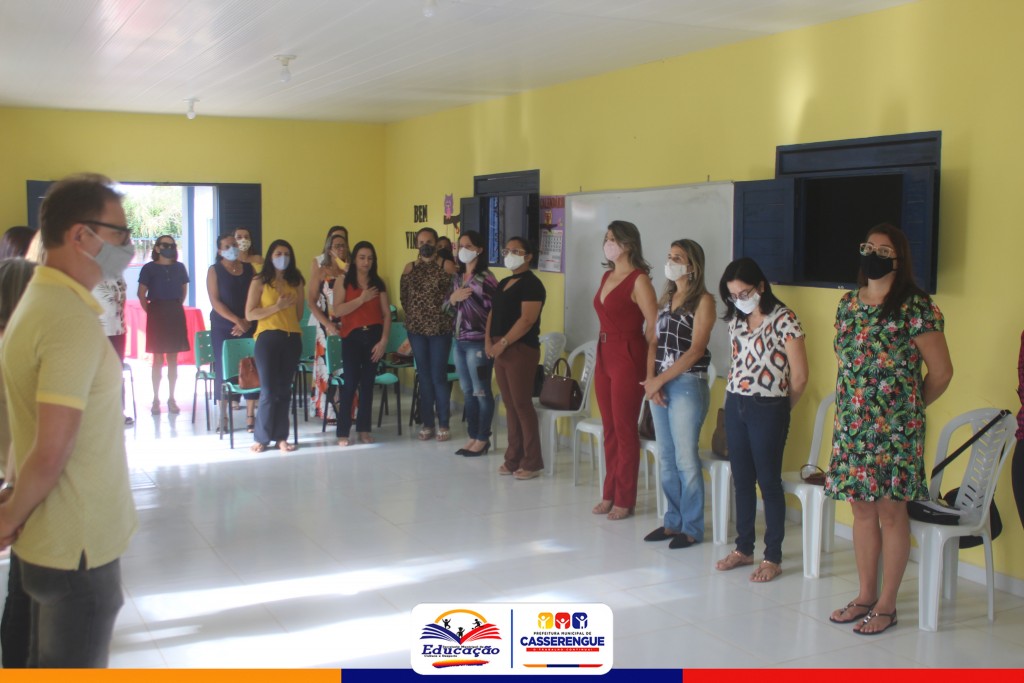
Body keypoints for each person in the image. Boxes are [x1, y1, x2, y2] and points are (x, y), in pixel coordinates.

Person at [0, 173, 138, 667]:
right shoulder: (67, 319)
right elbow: (52, 447)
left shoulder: (41, 299)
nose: (128, 248)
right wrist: (9, 517)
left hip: (51, 534)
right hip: (78, 544)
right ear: (81, 235)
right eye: (120, 234)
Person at [826, 224, 952, 635]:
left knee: (891, 512)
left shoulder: (917, 307)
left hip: (896, 432)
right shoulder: (848, 304)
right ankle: (865, 595)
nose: (873, 255)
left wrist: (906, 413)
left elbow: (941, 373)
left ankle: (887, 604)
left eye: (883, 250)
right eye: (868, 247)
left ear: (899, 260)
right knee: (861, 509)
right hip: (851, 427)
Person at [715, 257, 808, 583]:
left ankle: (772, 556)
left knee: (768, 482)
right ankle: (743, 548)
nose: (739, 300)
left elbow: (800, 376)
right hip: (736, 402)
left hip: (769, 406)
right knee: (741, 480)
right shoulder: (736, 320)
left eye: (744, 293)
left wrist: (779, 409)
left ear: (761, 287)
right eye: (733, 296)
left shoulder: (785, 319)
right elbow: (737, 362)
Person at [643, 239, 715, 547]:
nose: (671, 262)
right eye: (669, 256)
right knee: (667, 457)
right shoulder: (666, 299)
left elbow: (696, 350)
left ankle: (692, 527)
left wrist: (660, 380)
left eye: (678, 257)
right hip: (660, 384)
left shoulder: (704, 301)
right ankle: (672, 522)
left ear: (692, 265)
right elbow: (653, 343)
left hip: (687, 385)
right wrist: (652, 380)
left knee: (686, 459)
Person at [592, 221, 658, 520]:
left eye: (614, 239)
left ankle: (625, 497)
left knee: (624, 428)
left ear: (629, 243)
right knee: (609, 427)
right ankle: (609, 492)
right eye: (606, 238)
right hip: (604, 351)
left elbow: (653, 326)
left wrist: (648, 367)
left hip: (628, 352)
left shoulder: (639, 279)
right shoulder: (607, 275)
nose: (608, 244)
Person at [0, 257, 36, 669]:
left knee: (21, 594)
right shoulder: (15, 351)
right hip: (24, 485)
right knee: (26, 600)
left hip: (16, 483)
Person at [487, 237, 546, 480]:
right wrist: (488, 342)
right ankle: (512, 458)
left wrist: (502, 343)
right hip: (499, 348)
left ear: (528, 256)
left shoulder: (532, 284)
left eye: (515, 251)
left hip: (520, 348)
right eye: (506, 250)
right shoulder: (504, 282)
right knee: (509, 404)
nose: (509, 254)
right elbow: (493, 313)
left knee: (522, 404)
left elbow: (527, 320)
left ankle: (532, 461)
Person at [245, 238, 305, 453]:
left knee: (284, 390)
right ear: (270, 256)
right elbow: (250, 314)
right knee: (269, 391)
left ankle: (281, 437)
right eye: (278, 254)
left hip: (291, 338)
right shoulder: (260, 280)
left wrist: (285, 312)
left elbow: (299, 314)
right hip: (267, 338)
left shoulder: (296, 281)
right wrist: (277, 307)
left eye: (287, 254)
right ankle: (261, 438)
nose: (283, 258)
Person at [443, 230, 498, 456]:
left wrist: (489, 341)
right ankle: (473, 435)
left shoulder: (487, 278)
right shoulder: (457, 278)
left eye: (469, 246)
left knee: (481, 391)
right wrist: (452, 299)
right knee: (467, 391)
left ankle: (483, 438)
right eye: (460, 246)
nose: (463, 250)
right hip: (460, 342)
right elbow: (446, 309)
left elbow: (496, 312)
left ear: (479, 250)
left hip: (478, 344)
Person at [400, 227, 457, 441]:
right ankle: (427, 424)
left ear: (436, 243)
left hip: (440, 330)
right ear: (417, 244)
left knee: (438, 377)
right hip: (416, 331)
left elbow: (455, 297)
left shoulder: (447, 266)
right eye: (422, 242)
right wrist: (417, 315)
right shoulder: (410, 268)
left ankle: (444, 424)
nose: (426, 245)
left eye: (430, 242)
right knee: (423, 377)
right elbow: (404, 297)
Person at [332, 241, 390, 446]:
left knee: (367, 385)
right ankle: (343, 432)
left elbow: (386, 314)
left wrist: (384, 341)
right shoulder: (343, 281)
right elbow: (337, 310)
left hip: (374, 337)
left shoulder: (378, 283)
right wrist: (361, 299)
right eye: (362, 257)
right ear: (355, 259)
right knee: (350, 385)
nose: (366, 262)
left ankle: (364, 429)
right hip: (351, 338)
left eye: (370, 258)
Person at [207, 233, 256, 431]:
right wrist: (237, 320)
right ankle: (223, 416)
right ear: (220, 251)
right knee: (224, 368)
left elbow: (257, 296)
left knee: (250, 367)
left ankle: (251, 416)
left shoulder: (248, 269)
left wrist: (246, 321)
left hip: (248, 323)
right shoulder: (214, 270)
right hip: (223, 326)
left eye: (234, 245)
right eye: (227, 246)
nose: (232, 249)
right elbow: (215, 301)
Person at [137, 234, 190, 414]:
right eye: (165, 245)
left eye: (172, 245)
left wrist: (174, 305)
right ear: (157, 248)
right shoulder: (149, 268)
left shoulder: (180, 267)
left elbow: (183, 290)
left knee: (173, 358)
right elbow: (141, 294)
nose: (169, 248)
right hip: (156, 312)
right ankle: (155, 399)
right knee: (158, 358)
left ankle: (172, 398)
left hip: (175, 311)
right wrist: (151, 311)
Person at [308, 229, 349, 421]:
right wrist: (327, 324)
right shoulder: (321, 271)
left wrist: (347, 268)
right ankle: (328, 410)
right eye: (336, 246)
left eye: (343, 246)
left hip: (348, 325)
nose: (340, 249)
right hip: (326, 326)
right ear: (328, 249)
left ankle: (348, 409)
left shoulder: (350, 270)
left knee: (347, 368)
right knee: (328, 368)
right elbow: (311, 302)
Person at [93, 276, 134, 426]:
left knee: (117, 372)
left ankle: (119, 413)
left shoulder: (117, 276)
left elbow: (121, 298)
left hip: (118, 329)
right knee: (101, 374)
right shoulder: (92, 275)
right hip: (100, 331)